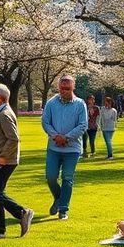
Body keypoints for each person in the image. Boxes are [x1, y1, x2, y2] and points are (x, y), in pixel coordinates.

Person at [0, 84, 35, 239]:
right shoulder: (1, 112)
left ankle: (19, 215)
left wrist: (3, 157)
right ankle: (1, 228)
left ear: (0, 97)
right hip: (0, 159)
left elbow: (13, 139)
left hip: (4, 160)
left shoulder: (4, 114)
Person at [41, 75, 87, 221]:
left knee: (67, 177)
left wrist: (66, 137)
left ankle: (63, 209)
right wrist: (56, 136)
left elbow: (83, 125)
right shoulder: (51, 103)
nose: (64, 91)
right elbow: (45, 122)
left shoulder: (80, 104)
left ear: (73, 87)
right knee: (51, 177)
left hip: (72, 149)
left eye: (67, 89)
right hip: (54, 147)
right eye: (62, 88)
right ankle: (58, 198)